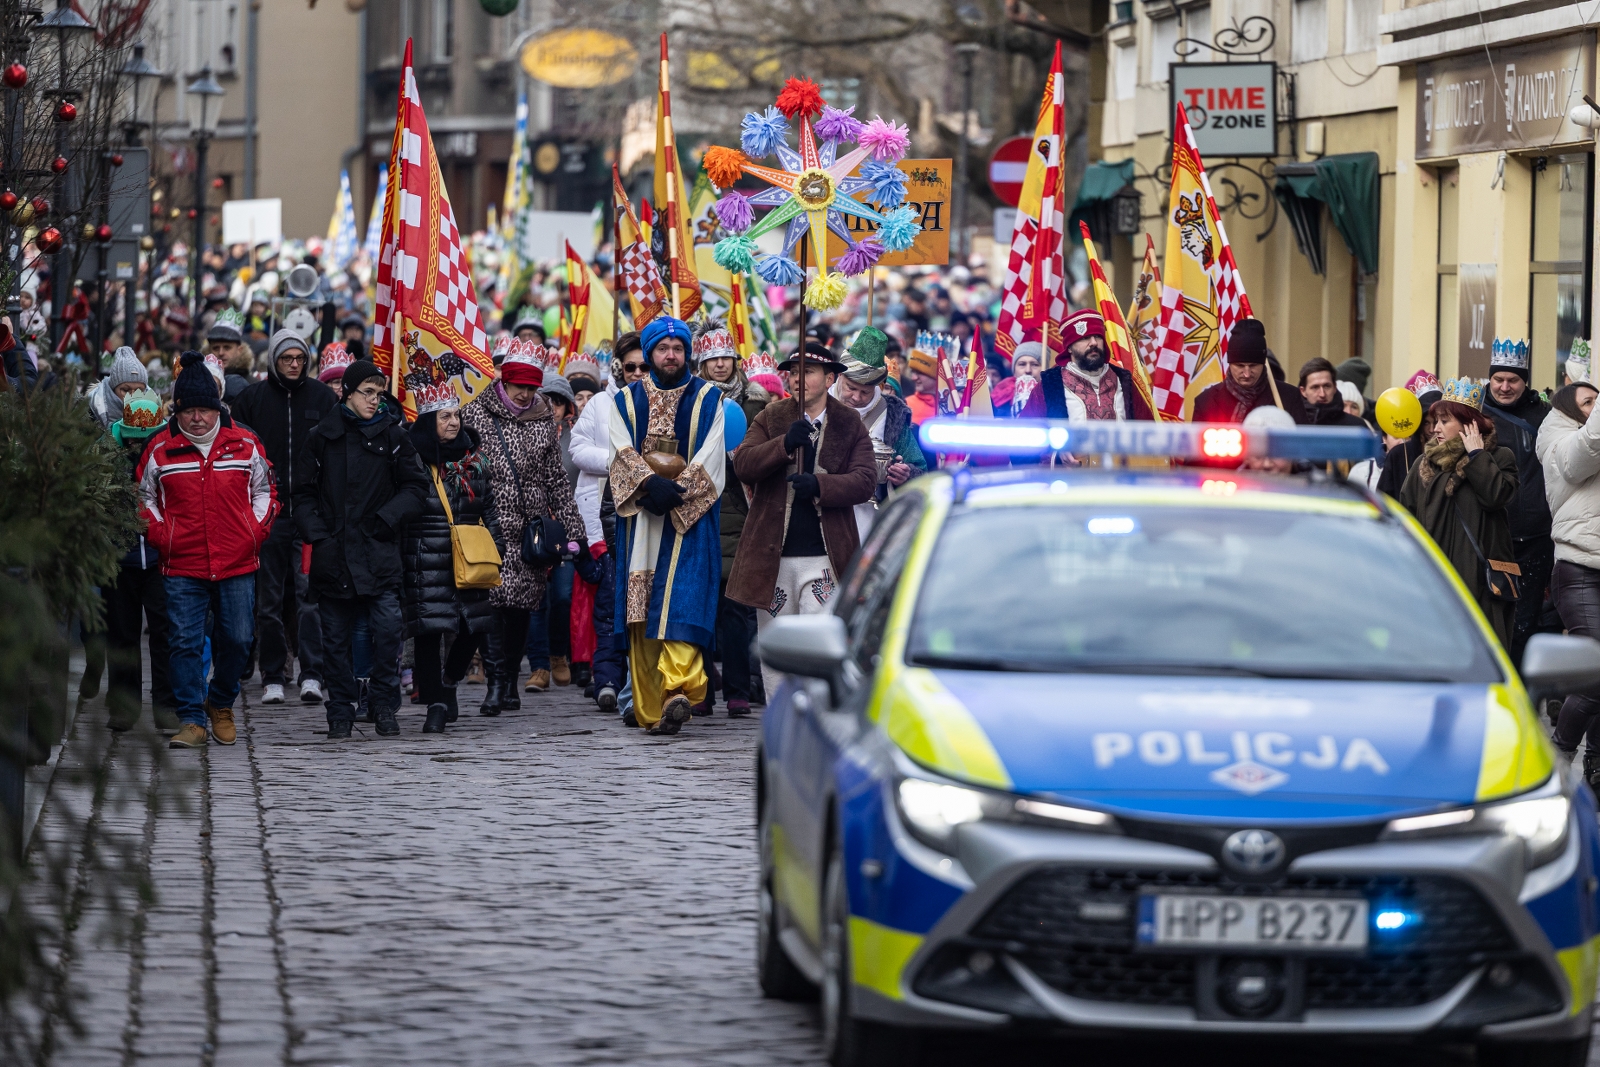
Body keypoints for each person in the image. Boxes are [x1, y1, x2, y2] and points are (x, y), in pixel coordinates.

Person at [137, 352, 277, 750]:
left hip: (236, 560)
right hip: (182, 562)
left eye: (204, 410)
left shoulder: (245, 443)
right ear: (177, 410)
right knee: (183, 642)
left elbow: (266, 490)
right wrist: (162, 535)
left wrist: (254, 532)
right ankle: (192, 719)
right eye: (188, 411)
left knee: (239, 638)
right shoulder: (159, 449)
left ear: (218, 408)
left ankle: (220, 701)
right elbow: (143, 499)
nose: (197, 418)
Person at [730, 342, 877, 700]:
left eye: (807, 371)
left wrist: (821, 485)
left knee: (815, 650)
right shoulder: (770, 416)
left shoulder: (849, 422)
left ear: (829, 379)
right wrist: (782, 445)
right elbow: (743, 465)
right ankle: (779, 718)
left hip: (825, 558)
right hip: (773, 560)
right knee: (777, 652)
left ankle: (812, 718)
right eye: (793, 372)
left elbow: (865, 480)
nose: (797, 378)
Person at [293, 359, 429, 739]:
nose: (374, 400)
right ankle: (340, 710)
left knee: (387, 630)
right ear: (347, 393)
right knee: (335, 639)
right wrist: (319, 535)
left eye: (379, 393)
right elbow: (302, 493)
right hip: (334, 553)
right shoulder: (321, 436)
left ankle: (383, 704)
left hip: (378, 549)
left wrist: (386, 519)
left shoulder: (393, 436)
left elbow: (416, 487)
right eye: (367, 393)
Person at [604, 316, 727, 735]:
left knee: (684, 601)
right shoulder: (625, 400)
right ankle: (653, 709)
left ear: (687, 353)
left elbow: (713, 454)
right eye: (662, 348)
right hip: (642, 517)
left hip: (688, 518)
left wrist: (677, 492)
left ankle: (677, 689)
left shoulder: (710, 398)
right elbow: (618, 448)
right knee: (642, 611)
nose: (670, 355)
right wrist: (648, 484)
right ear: (650, 353)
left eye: (678, 348)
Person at [462, 342, 585, 714]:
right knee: (491, 606)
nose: (526, 393)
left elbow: (556, 478)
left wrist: (574, 530)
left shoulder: (543, 416)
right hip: (488, 525)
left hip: (529, 532)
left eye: (532, 387)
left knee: (519, 609)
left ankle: (510, 676)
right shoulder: (476, 413)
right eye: (519, 386)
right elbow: (459, 468)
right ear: (505, 381)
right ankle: (496, 683)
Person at [232, 329, 340, 706]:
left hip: (309, 514)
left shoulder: (323, 398)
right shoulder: (252, 400)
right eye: (286, 359)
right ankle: (273, 674)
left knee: (310, 597)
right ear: (274, 361)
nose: (294, 365)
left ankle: (313, 672)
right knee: (269, 601)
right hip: (269, 515)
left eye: (299, 358)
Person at [401, 384, 505, 734]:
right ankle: (436, 704)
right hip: (425, 558)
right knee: (428, 634)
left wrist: (497, 547)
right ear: (428, 421)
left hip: (469, 558)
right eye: (444, 416)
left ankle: (450, 680)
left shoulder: (472, 460)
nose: (454, 422)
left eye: (456, 415)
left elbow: (489, 508)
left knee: (475, 626)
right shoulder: (411, 459)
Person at [1398, 378, 1519, 648]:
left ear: (1469, 424)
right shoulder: (1423, 464)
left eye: (1444, 421)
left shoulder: (1499, 457)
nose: (1435, 429)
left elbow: (1495, 497)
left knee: (1483, 652)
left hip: (1481, 584)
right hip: (1434, 581)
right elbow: (1405, 517)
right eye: (1435, 422)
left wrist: (1477, 456)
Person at [694, 319, 773, 716]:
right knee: (700, 607)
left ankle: (739, 690)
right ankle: (702, 688)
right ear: (701, 364)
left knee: (737, 609)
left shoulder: (756, 405)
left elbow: (767, 455)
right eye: (713, 359)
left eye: (726, 357)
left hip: (743, 514)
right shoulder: (690, 404)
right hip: (700, 512)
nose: (721, 364)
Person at [569, 334, 645, 713]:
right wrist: (618, 460)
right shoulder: (600, 403)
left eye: (644, 366)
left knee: (643, 605)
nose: (637, 373)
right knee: (610, 602)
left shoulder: (664, 402)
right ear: (618, 367)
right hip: (607, 515)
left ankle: (640, 682)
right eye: (630, 366)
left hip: (649, 514)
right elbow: (577, 448)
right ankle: (608, 679)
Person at [1536, 381, 1600, 781]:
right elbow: (1584, 453)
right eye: (1589, 402)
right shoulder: (1559, 441)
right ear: (1569, 410)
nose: (1594, 406)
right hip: (1577, 568)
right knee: (1595, 672)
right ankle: (1555, 762)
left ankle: (1596, 769)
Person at [104, 388, 178, 733]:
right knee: (122, 635)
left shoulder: (168, 453)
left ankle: (167, 705)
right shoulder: (107, 456)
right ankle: (123, 705)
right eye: (134, 438)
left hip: (162, 557)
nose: (139, 445)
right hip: (120, 559)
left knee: (165, 634)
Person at [1482, 340, 1554, 666]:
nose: (1505, 386)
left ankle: (1522, 685)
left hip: (1537, 538)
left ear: (1525, 382)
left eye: (1513, 380)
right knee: (1490, 619)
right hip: (1493, 537)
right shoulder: (1475, 414)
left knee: (1526, 623)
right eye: (1498, 379)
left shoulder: (1546, 416)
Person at [831, 326, 926, 538]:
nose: (856, 398)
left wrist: (906, 473)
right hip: (824, 510)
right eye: (851, 388)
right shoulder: (819, 403)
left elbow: (919, 467)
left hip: (871, 520)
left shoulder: (892, 415)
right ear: (840, 376)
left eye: (865, 392)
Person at [1042, 309, 1155, 420]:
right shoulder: (1050, 384)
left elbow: (1147, 428)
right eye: (1085, 338)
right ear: (1069, 348)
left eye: (1098, 336)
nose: (1094, 343)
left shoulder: (1124, 381)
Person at [1189, 319, 1308, 424]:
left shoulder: (1289, 397)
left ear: (1263, 363)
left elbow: (1303, 441)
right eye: (1240, 366)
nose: (1247, 374)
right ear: (1230, 364)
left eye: (1253, 366)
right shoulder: (1206, 401)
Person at [88, 346, 150, 430]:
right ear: (112, 390)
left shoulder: (156, 411)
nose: (133, 396)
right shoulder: (89, 412)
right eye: (126, 390)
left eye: (139, 390)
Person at [1299, 357, 1368, 427]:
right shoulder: (1293, 424)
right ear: (1303, 391)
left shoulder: (1356, 426)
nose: (1322, 394)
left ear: (1335, 387)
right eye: (1315, 387)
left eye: (1327, 386)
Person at [208, 308, 252, 402]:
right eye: (216, 348)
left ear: (239, 350)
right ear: (209, 350)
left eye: (227, 348)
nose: (221, 353)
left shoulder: (252, 384)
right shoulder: (199, 381)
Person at [904, 345, 940, 426]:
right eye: (913, 372)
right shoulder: (906, 405)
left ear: (935, 375)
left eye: (920, 373)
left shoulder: (951, 406)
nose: (913, 378)